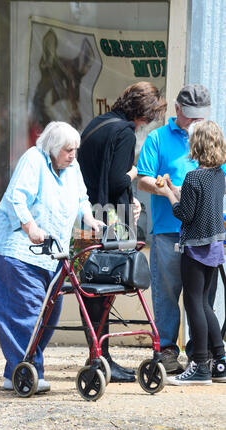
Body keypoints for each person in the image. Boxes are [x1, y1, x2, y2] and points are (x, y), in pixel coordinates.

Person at [0, 121, 104, 393]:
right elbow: (18, 198)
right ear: (52, 147)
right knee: (26, 313)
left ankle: (15, 372)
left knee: (50, 312)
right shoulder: (33, 160)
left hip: (52, 254)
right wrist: (30, 227)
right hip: (16, 250)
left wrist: (88, 218)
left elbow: (81, 198)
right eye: (67, 150)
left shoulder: (71, 167)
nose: (72, 154)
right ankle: (29, 373)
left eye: (75, 149)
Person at [77, 82, 167, 382]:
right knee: (108, 290)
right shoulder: (125, 132)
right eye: (150, 117)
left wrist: (130, 200)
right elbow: (117, 179)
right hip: (111, 220)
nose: (148, 124)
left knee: (90, 290)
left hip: (87, 215)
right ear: (143, 113)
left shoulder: (98, 123)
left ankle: (98, 356)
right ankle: (104, 361)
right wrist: (135, 172)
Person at [137, 84, 213, 374]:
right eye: (190, 115)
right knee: (167, 293)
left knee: (203, 296)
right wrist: (167, 188)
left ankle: (200, 353)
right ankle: (167, 349)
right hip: (169, 229)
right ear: (177, 109)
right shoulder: (157, 138)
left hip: (205, 231)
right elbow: (143, 179)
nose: (195, 121)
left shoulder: (211, 138)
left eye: (200, 116)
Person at [159, 120, 226, 385]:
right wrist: (177, 190)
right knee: (204, 303)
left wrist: (167, 194)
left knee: (193, 304)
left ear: (196, 144)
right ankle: (219, 360)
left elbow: (184, 213)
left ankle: (199, 365)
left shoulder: (194, 176)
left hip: (196, 248)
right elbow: (199, 203)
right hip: (215, 246)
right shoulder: (219, 175)